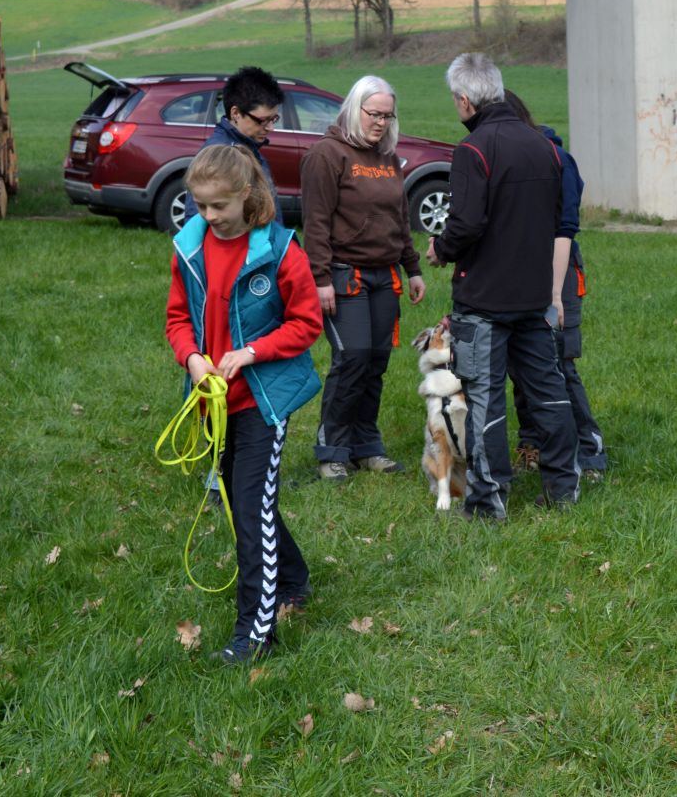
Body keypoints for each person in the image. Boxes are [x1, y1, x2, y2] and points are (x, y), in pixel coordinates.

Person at [164, 145, 322, 664]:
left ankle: (254, 635)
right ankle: (293, 577)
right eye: (200, 205)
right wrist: (192, 358)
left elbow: (307, 323)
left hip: (263, 401)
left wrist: (252, 352)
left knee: (251, 510)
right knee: (242, 498)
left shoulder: (279, 251)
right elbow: (177, 319)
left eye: (219, 205)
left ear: (246, 195)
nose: (208, 215)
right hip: (214, 400)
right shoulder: (189, 247)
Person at [425, 53, 580, 521]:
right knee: (549, 393)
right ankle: (564, 489)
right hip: (535, 295)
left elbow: (467, 223)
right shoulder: (545, 146)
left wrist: (441, 248)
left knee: (485, 400)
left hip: (485, 300)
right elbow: (555, 218)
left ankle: (488, 501)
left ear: (465, 100)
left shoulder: (472, 150)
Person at [300, 75, 427, 481]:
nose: (381, 123)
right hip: (344, 275)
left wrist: (412, 268)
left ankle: (367, 447)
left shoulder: (388, 158)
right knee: (351, 358)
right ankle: (332, 451)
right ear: (355, 109)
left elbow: (400, 219)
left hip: (385, 275)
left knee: (375, 362)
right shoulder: (326, 154)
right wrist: (320, 278)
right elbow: (316, 222)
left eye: (388, 116)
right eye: (375, 114)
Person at [502, 90, 609, 476]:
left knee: (558, 362)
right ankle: (532, 445)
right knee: (521, 361)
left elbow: (565, 225)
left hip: (557, 271)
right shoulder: (503, 157)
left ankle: (589, 453)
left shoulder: (558, 159)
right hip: (514, 271)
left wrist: (554, 292)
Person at [183, 66, 286, 224]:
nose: (270, 128)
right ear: (236, 113)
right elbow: (196, 222)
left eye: (273, 119)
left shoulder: (250, 148)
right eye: (263, 120)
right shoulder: (219, 158)